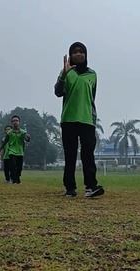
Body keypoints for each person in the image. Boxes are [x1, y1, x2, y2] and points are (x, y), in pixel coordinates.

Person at [54, 41, 104, 198]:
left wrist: (93, 118)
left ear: (86, 55)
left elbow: (92, 97)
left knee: (88, 154)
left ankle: (91, 187)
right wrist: (64, 73)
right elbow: (58, 92)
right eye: (75, 52)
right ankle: (70, 188)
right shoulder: (66, 72)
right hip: (69, 119)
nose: (78, 54)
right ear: (71, 56)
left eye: (81, 51)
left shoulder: (92, 74)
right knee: (70, 155)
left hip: (87, 120)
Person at [5, 116, 30, 184]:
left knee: (19, 168)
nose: (15, 122)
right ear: (11, 122)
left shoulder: (23, 132)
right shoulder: (9, 133)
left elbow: (27, 139)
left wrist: (28, 138)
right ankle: (14, 180)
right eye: (13, 121)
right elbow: (5, 141)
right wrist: (0, 150)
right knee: (13, 166)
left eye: (16, 120)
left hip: (20, 151)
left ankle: (17, 178)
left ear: (19, 122)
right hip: (11, 151)